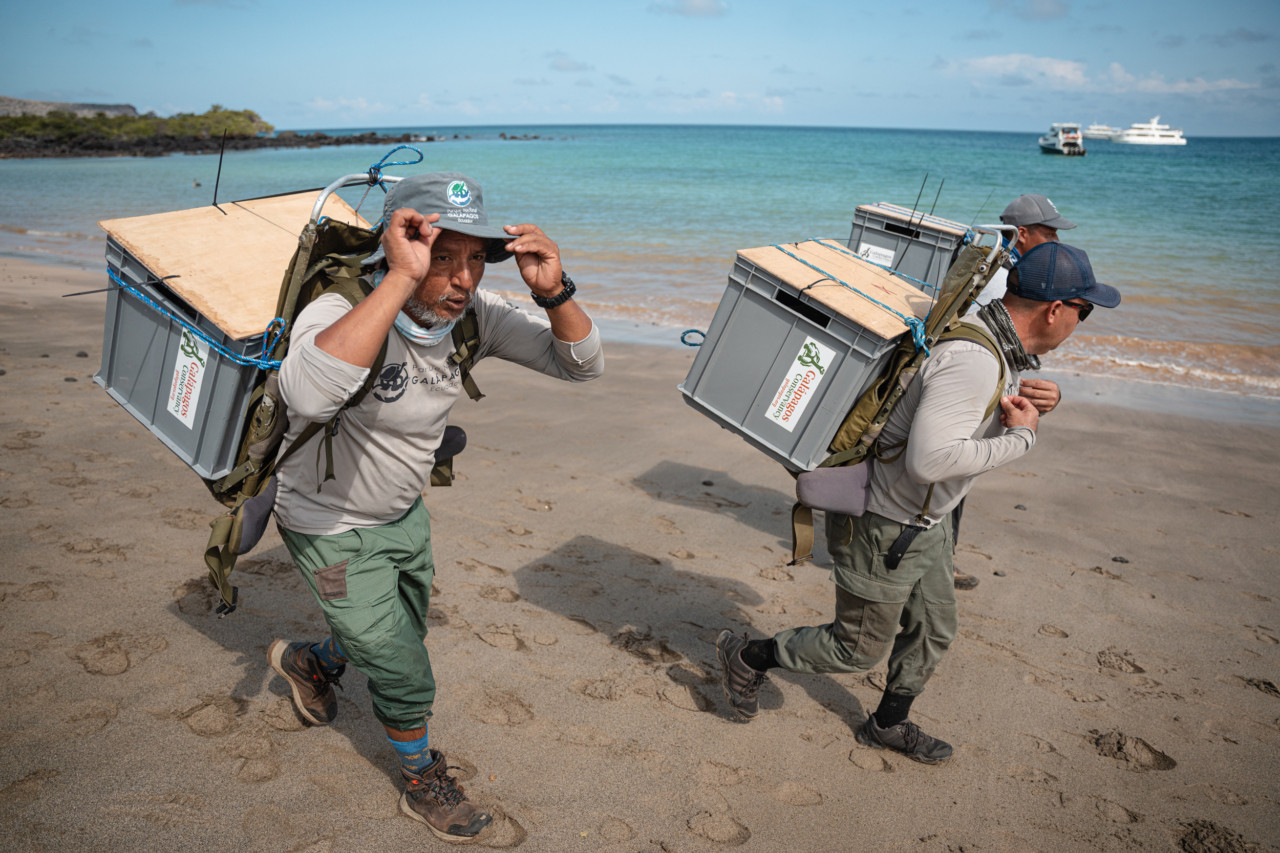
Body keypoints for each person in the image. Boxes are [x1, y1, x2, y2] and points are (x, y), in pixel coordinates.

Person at [265, 172, 604, 841]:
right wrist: (398, 278)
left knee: (398, 632)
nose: (462, 278)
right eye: (441, 256)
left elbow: (583, 365)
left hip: (403, 514)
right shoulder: (341, 309)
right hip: (326, 525)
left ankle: (314, 660)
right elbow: (304, 394)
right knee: (400, 663)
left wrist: (554, 290)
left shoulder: (471, 319)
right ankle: (423, 775)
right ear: (399, 246)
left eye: (475, 259)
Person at [717, 241, 1119, 764]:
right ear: (1056, 310)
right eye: (1084, 312)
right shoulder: (974, 360)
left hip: (925, 523)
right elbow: (928, 463)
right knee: (854, 650)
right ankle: (746, 656)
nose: (1081, 323)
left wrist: (1043, 401)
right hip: (888, 525)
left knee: (932, 627)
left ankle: (888, 724)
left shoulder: (997, 344)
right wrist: (1022, 439)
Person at [952, 193, 1071, 589]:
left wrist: (1041, 391)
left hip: (980, 386)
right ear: (1022, 234)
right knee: (951, 467)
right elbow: (982, 347)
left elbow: (1013, 348)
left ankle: (939, 556)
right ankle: (937, 559)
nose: (1056, 240)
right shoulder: (1000, 278)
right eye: (1049, 232)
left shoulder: (1003, 270)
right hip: (967, 388)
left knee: (955, 473)